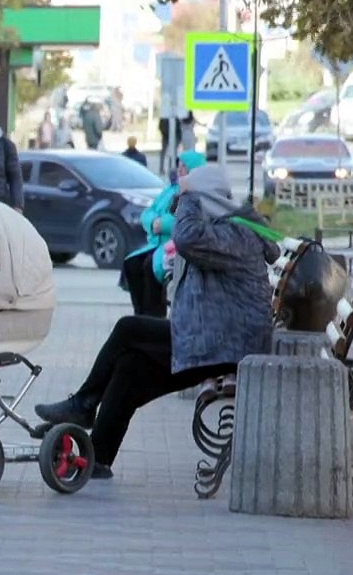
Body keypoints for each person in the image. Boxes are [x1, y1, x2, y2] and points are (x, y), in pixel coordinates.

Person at [32, 163, 280, 479]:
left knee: (128, 328)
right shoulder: (225, 229)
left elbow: (186, 236)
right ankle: (97, 458)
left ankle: (83, 404)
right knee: (131, 367)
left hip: (226, 343)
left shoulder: (237, 234)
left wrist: (190, 195)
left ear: (208, 199)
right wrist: (183, 192)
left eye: (192, 198)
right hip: (213, 338)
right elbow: (184, 231)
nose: (185, 204)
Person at [120, 150, 207, 317]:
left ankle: (153, 315)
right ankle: (140, 314)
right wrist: (154, 222)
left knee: (149, 265)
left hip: (175, 245)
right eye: (179, 166)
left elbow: (186, 219)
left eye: (184, 166)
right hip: (157, 243)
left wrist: (163, 223)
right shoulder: (171, 190)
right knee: (131, 263)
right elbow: (149, 212)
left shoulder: (195, 193)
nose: (180, 170)